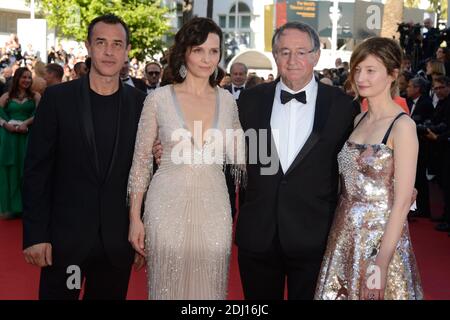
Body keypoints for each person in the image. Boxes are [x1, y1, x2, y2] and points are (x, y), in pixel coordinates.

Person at [22, 14, 146, 300]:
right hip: (66, 245)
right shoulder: (57, 100)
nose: (109, 51)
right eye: (101, 42)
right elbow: (36, 171)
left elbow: (145, 172)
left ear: (127, 51)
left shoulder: (141, 105)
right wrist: (36, 235)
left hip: (116, 247)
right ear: (88, 46)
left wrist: (143, 236)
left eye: (117, 44)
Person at [235, 22, 358, 300]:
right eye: (285, 51)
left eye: (302, 52)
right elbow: (225, 152)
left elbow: (354, 167)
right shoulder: (249, 101)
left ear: (316, 56)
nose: (292, 60)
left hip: (315, 237)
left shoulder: (342, 105)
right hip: (258, 236)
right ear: (274, 55)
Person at [127, 17, 245, 300]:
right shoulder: (158, 99)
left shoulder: (228, 101)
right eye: (198, 50)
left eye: (214, 51)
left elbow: (240, 156)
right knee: (168, 288)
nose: (207, 59)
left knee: (209, 290)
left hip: (215, 207)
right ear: (184, 52)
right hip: (166, 205)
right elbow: (141, 161)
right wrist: (135, 217)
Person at [315, 37, 423, 300]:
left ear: (392, 74)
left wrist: (382, 263)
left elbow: (401, 203)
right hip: (344, 234)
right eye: (357, 69)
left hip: (380, 238)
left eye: (370, 70)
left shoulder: (402, 126)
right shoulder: (358, 118)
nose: (361, 77)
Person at [0, 67, 40, 219]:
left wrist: (26, 123)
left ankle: (28, 206)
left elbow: (41, 113)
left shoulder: (35, 96)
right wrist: (6, 124)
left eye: (29, 78)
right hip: (10, 137)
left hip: (28, 135)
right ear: (17, 78)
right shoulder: (6, 96)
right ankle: (13, 206)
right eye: (24, 77)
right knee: (12, 169)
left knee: (27, 169)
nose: (27, 80)